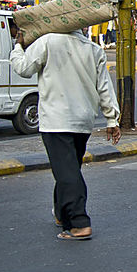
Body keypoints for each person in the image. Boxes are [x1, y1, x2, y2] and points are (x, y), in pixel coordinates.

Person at [10, 28, 121, 241]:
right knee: (69, 167)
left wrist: (18, 46)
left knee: (67, 171)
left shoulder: (48, 41)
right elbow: (104, 86)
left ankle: (79, 222)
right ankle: (62, 213)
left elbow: (23, 68)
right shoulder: (94, 48)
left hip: (56, 120)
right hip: (83, 120)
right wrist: (111, 118)